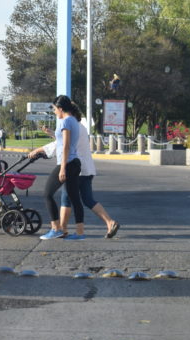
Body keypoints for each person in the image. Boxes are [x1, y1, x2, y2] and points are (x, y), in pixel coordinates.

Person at [57, 102, 121, 238]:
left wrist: (62, 168)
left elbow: (66, 146)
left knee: (65, 199)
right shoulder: (81, 127)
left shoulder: (70, 125)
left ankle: (62, 230)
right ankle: (110, 222)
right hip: (87, 168)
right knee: (87, 199)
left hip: (75, 168)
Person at [28, 95, 85, 240]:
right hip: (75, 163)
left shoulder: (64, 121)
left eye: (54, 109)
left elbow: (65, 146)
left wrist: (62, 168)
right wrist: (53, 134)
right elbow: (64, 141)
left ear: (60, 108)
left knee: (47, 194)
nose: (54, 112)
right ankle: (79, 233)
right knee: (75, 198)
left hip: (67, 163)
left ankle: (56, 228)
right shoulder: (73, 120)